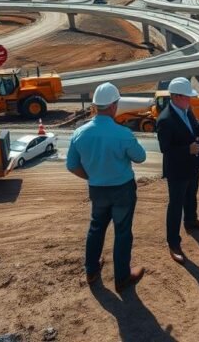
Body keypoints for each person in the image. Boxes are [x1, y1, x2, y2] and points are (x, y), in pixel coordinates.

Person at [66, 82, 147, 290]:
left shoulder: (79, 133)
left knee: (96, 228)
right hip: (122, 190)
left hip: (97, 189)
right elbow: (140, 157)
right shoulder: (122, 133)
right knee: (122, 232)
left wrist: (92, 176)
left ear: (95, 106)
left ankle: (91, 271)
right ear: (113, 106)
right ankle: (121, 278)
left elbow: (72, 165)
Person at [156, 77, 199, 264]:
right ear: (177, 96)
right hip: (177, 169)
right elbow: (165, 149)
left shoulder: (186, 110)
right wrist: (187, 150)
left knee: (191, 195)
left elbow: (196, 129)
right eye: (188, 96)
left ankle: (191, 220)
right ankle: (173, 242)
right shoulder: (165, 119)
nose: (190, 99)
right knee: (175, 205)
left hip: (192, 164)